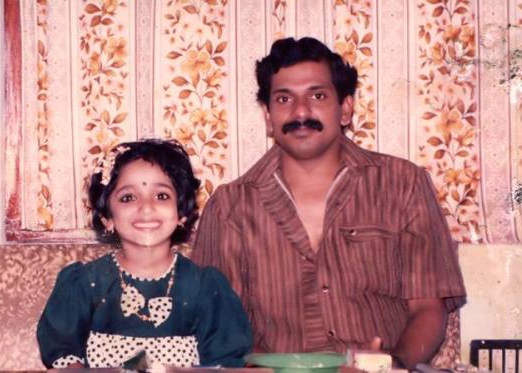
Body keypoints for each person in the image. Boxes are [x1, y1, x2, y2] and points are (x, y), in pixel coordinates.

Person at [192, 37, 466, 369]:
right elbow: (214, 328)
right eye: (284, 99)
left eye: (318, 96)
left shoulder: (403, 184)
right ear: (268, 115)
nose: (301, 112)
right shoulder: (228, 207)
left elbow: (427, 306)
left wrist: (392, 364)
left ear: (346, 108)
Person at [37, 139, 252, 369]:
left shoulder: (205, 287)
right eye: (128, 197)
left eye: (161, 196)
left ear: (181, 213)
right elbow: (66, 361)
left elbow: (225, 364)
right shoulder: (84, 284)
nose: (146, 207)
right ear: (107, 217)